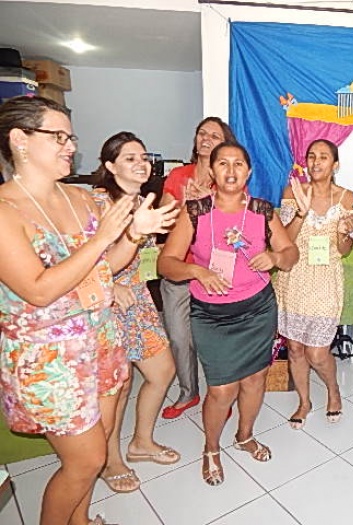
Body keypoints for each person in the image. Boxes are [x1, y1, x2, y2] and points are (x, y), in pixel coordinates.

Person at [0, 96, 178, 525]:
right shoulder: (5, 211)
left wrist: (133, 235)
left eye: (71, 137)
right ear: (20, 139)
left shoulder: (80, 199)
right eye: (58, 137)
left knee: (99, 445)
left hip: (101, 340)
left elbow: (108, 267)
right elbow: (38, 290)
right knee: (86, 460)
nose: (71, 146)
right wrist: (102, 240)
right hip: (51, 359)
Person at [158, 141, 298, 486]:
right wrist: (197, 271)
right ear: (212, 170)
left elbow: (290, 252)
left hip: (257, 309)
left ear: (249, 172)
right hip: (212, 316)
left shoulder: (263, 211)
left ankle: (245, 435)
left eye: (238, 164)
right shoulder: (195, 211)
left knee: (255, 380)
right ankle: (211, 448)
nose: (231, 170)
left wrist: (276, 257)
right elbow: (166, 263)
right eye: (223, 163)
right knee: (221, 391)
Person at [92, 132, 180, 494]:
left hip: (139, 299)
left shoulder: (144, 202)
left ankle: (141, 442)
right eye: (129, 158)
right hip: (107, 301)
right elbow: (82, 257)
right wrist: (109, 286)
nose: (140, 163)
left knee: (163, 370)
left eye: (143, 157)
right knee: (119, 386)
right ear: (110, 166)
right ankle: (110, 460)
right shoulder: (98, 203)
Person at [275, 139, 353, 429]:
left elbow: (345, 249)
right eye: (311, 156)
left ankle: (333, 391)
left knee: (318, 352)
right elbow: (283, 240)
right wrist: (301, 211)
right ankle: (304, 402)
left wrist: (344, 233)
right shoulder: (292, 192)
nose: (316, 162)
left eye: (323, 157)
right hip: (293, 278)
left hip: (326, 281)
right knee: (296, 348)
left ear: (335, 165)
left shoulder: (346, 198)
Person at [159, 117, 236, 420]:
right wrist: (185, 207)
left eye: (214, 135)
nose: (206, 139)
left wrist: (205, 208)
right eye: (202, 133)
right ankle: (188, 392)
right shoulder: (179, 176)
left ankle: (221, 396)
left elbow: (233, 230)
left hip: (214, 272)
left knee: (217, 339)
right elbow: (162, 223)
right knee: (179, 338)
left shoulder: (230, 180)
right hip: (179, 270)